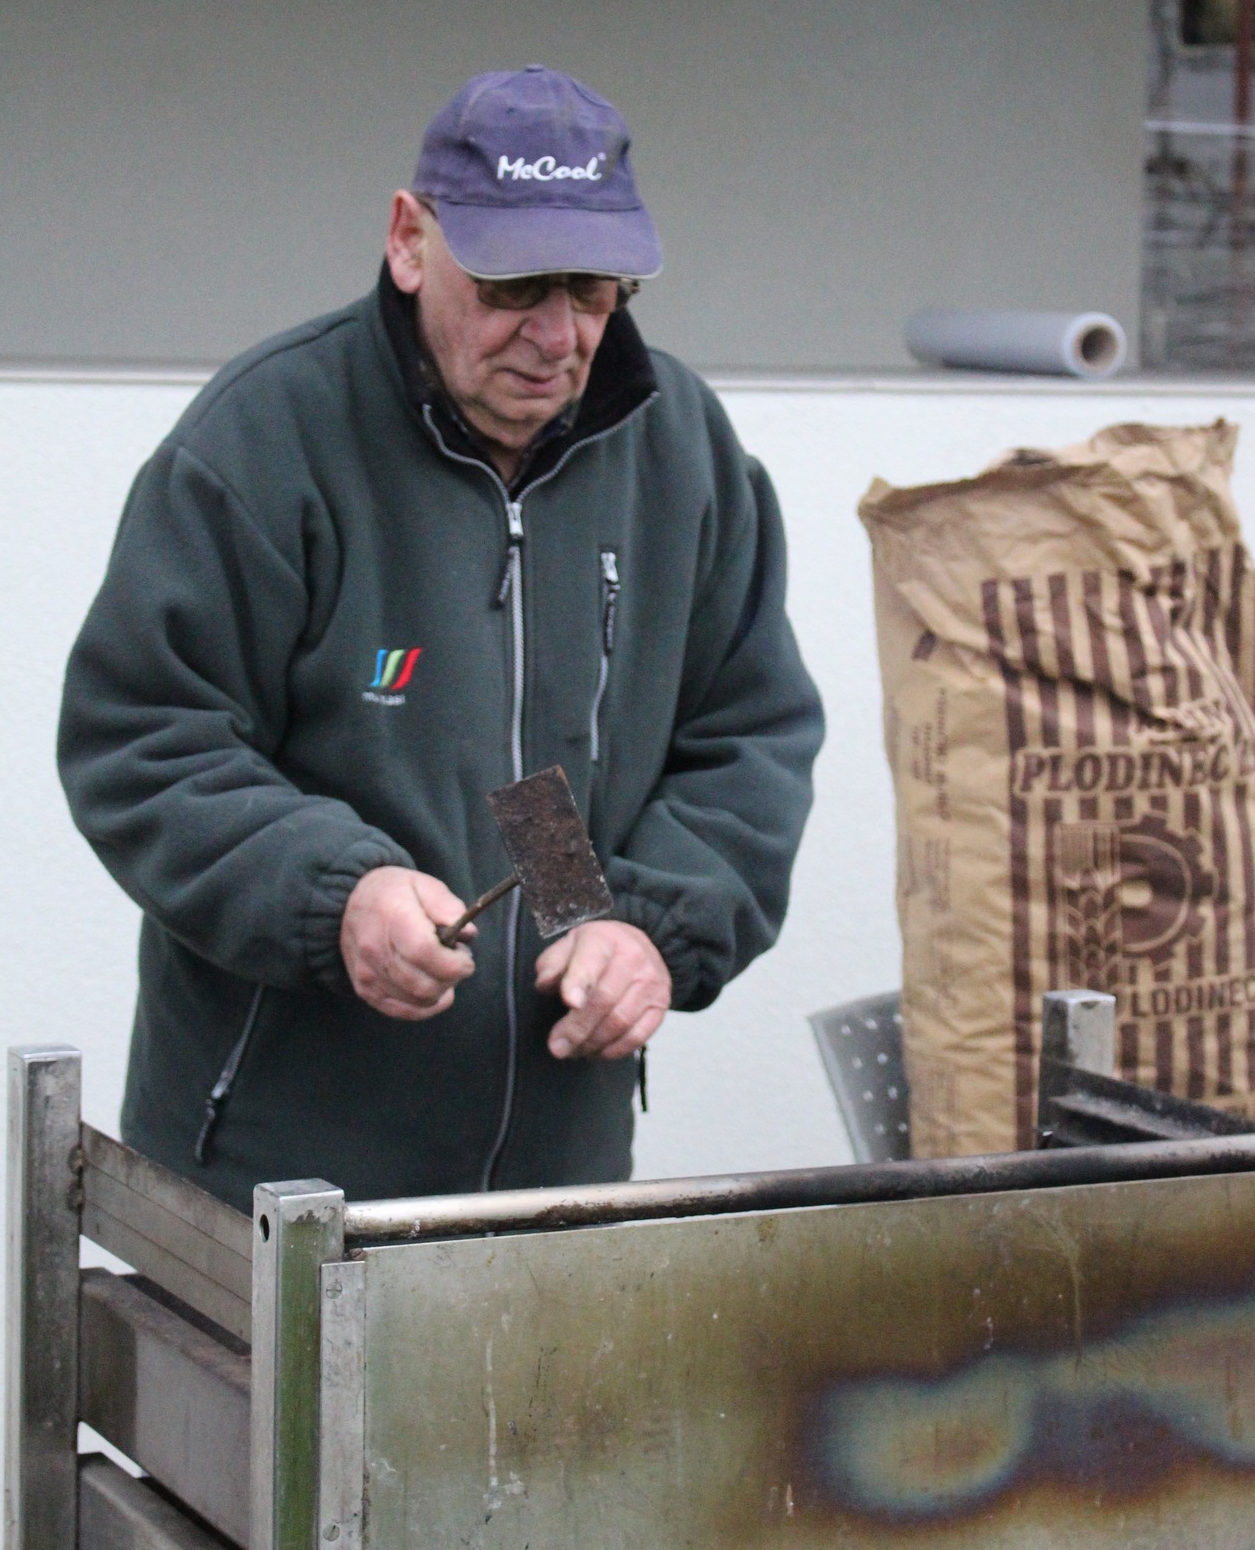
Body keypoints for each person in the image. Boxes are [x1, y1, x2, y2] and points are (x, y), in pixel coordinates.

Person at [58, 66, 824, 1213]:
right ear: (410, 240)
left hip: (555, 1187)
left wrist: (645, 925)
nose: (557, 333)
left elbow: (737, 738)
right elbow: (145, 741)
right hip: (270, 1179)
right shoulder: (266, 437)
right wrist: (338, 894)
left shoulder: (684, 453)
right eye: (515, 283)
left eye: (595, 288)